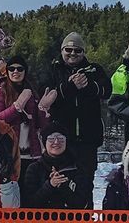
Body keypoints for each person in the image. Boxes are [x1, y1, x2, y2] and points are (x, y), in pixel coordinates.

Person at [43, 32, 111, 183]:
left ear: (83, 53)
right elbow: (45, 98)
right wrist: (70, 87)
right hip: (60, 140)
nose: (72, 53)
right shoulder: (53, 70)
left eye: (77, 50)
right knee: (61, 182)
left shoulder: (94, 69)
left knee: (86, 184)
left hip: (88, 139)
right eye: (68, 50)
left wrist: (88, 86)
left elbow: (107, 90)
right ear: (62, 51)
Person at [0, 54, 46, 176]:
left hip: (31, 155)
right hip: (9, 154)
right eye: (12, 68)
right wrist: (17, 106)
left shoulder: (32, 91)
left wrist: (44, 109)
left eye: (20, 69)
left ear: (25, 72)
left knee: (31, 192)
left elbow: (40, 124)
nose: (16, 71)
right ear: (7, 71)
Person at [20, 122, 92, 210]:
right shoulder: (34, 168)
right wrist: (49, 185)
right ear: (44, 142)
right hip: (41, 221)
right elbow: (29, 203)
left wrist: (63, 186)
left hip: (70, 221)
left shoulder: (77, 168)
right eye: (51, 139)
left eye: (61, 139)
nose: (56, 142)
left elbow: (82, 204)